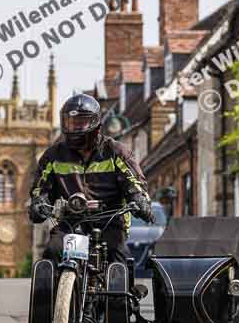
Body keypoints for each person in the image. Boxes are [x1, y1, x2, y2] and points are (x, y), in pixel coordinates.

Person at [28, 93, 154, 268]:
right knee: (52, 252)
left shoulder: (116, 152)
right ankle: (47, 295)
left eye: (81, 122)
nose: (75, 128)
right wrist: (38, 202)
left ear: (95, 123)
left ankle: (121, 294)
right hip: (71, 221)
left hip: (109, 221)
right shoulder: (53, 156)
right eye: (71, 123)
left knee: (118, 256)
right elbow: (40, 189)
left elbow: (135, 182)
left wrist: (140, 200)